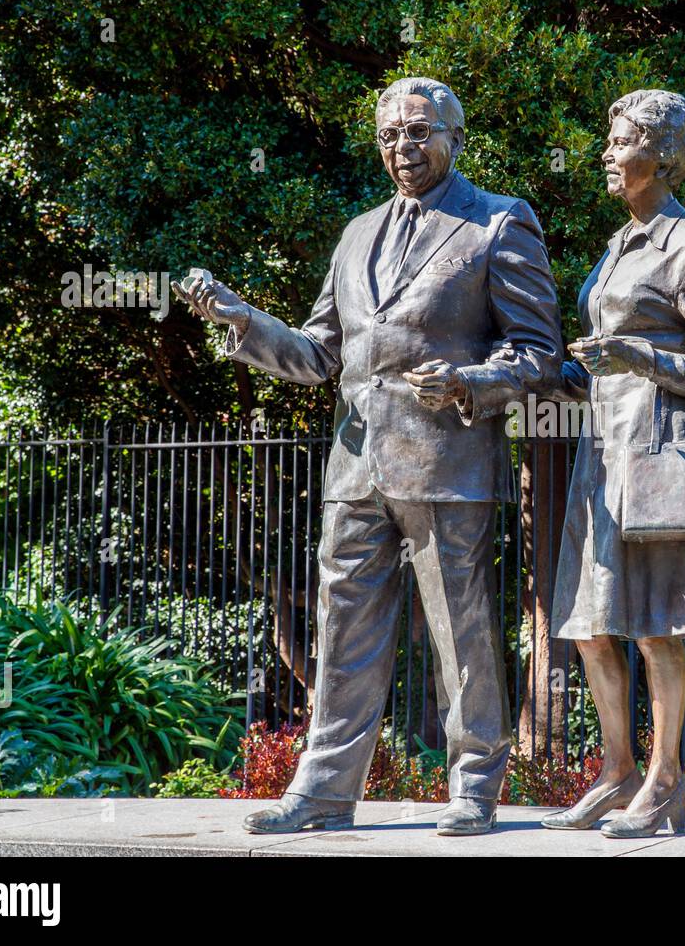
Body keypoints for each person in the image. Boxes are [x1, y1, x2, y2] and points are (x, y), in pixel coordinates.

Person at [172, 77, 561, 836]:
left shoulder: (498, 223)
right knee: (343, 634)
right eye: (389, 137)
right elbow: (320, 355)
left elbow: (539, 353)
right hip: (355, 468)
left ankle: (475, 785)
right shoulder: (356, 235)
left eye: (418, 133)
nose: (403, 149)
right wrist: (243, 319)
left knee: (464, 635)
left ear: (454, 136)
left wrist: (470, 380)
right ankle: (322, 791)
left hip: (448, 465)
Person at [543, 89, 685, 838]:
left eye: (619, 140)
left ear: (660, 157)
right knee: (591, 624)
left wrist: (639, 356)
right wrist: (553, 372)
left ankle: (665, 784)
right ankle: (616, 772)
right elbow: (603, 361)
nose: (605, 152)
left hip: (660, 450)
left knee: (656, 626)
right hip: (602, 451)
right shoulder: (617, 245)